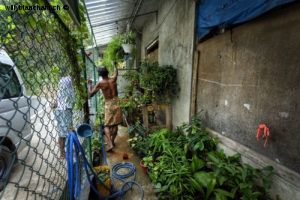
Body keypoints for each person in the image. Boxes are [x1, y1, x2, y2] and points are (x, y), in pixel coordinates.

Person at [88, 62, 123, 152]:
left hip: (109, 104)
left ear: (99, 74)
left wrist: (89, 84)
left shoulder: (100, 83)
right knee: (115, 124)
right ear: (107, 72)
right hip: (117, 103)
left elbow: (91, 94)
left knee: (107, 125)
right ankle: (113, 142)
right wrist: (114, 65)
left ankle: (110, 143)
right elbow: (116, 72)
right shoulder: (113, 79)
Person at [52, 69, 75, 159]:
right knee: (63, 134)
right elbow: (75, 72)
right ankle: (62, 153)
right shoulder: (66, 80)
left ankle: (68, 150)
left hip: (64, 110)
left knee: (68, 131)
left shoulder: (64, 82)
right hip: (63, 110)